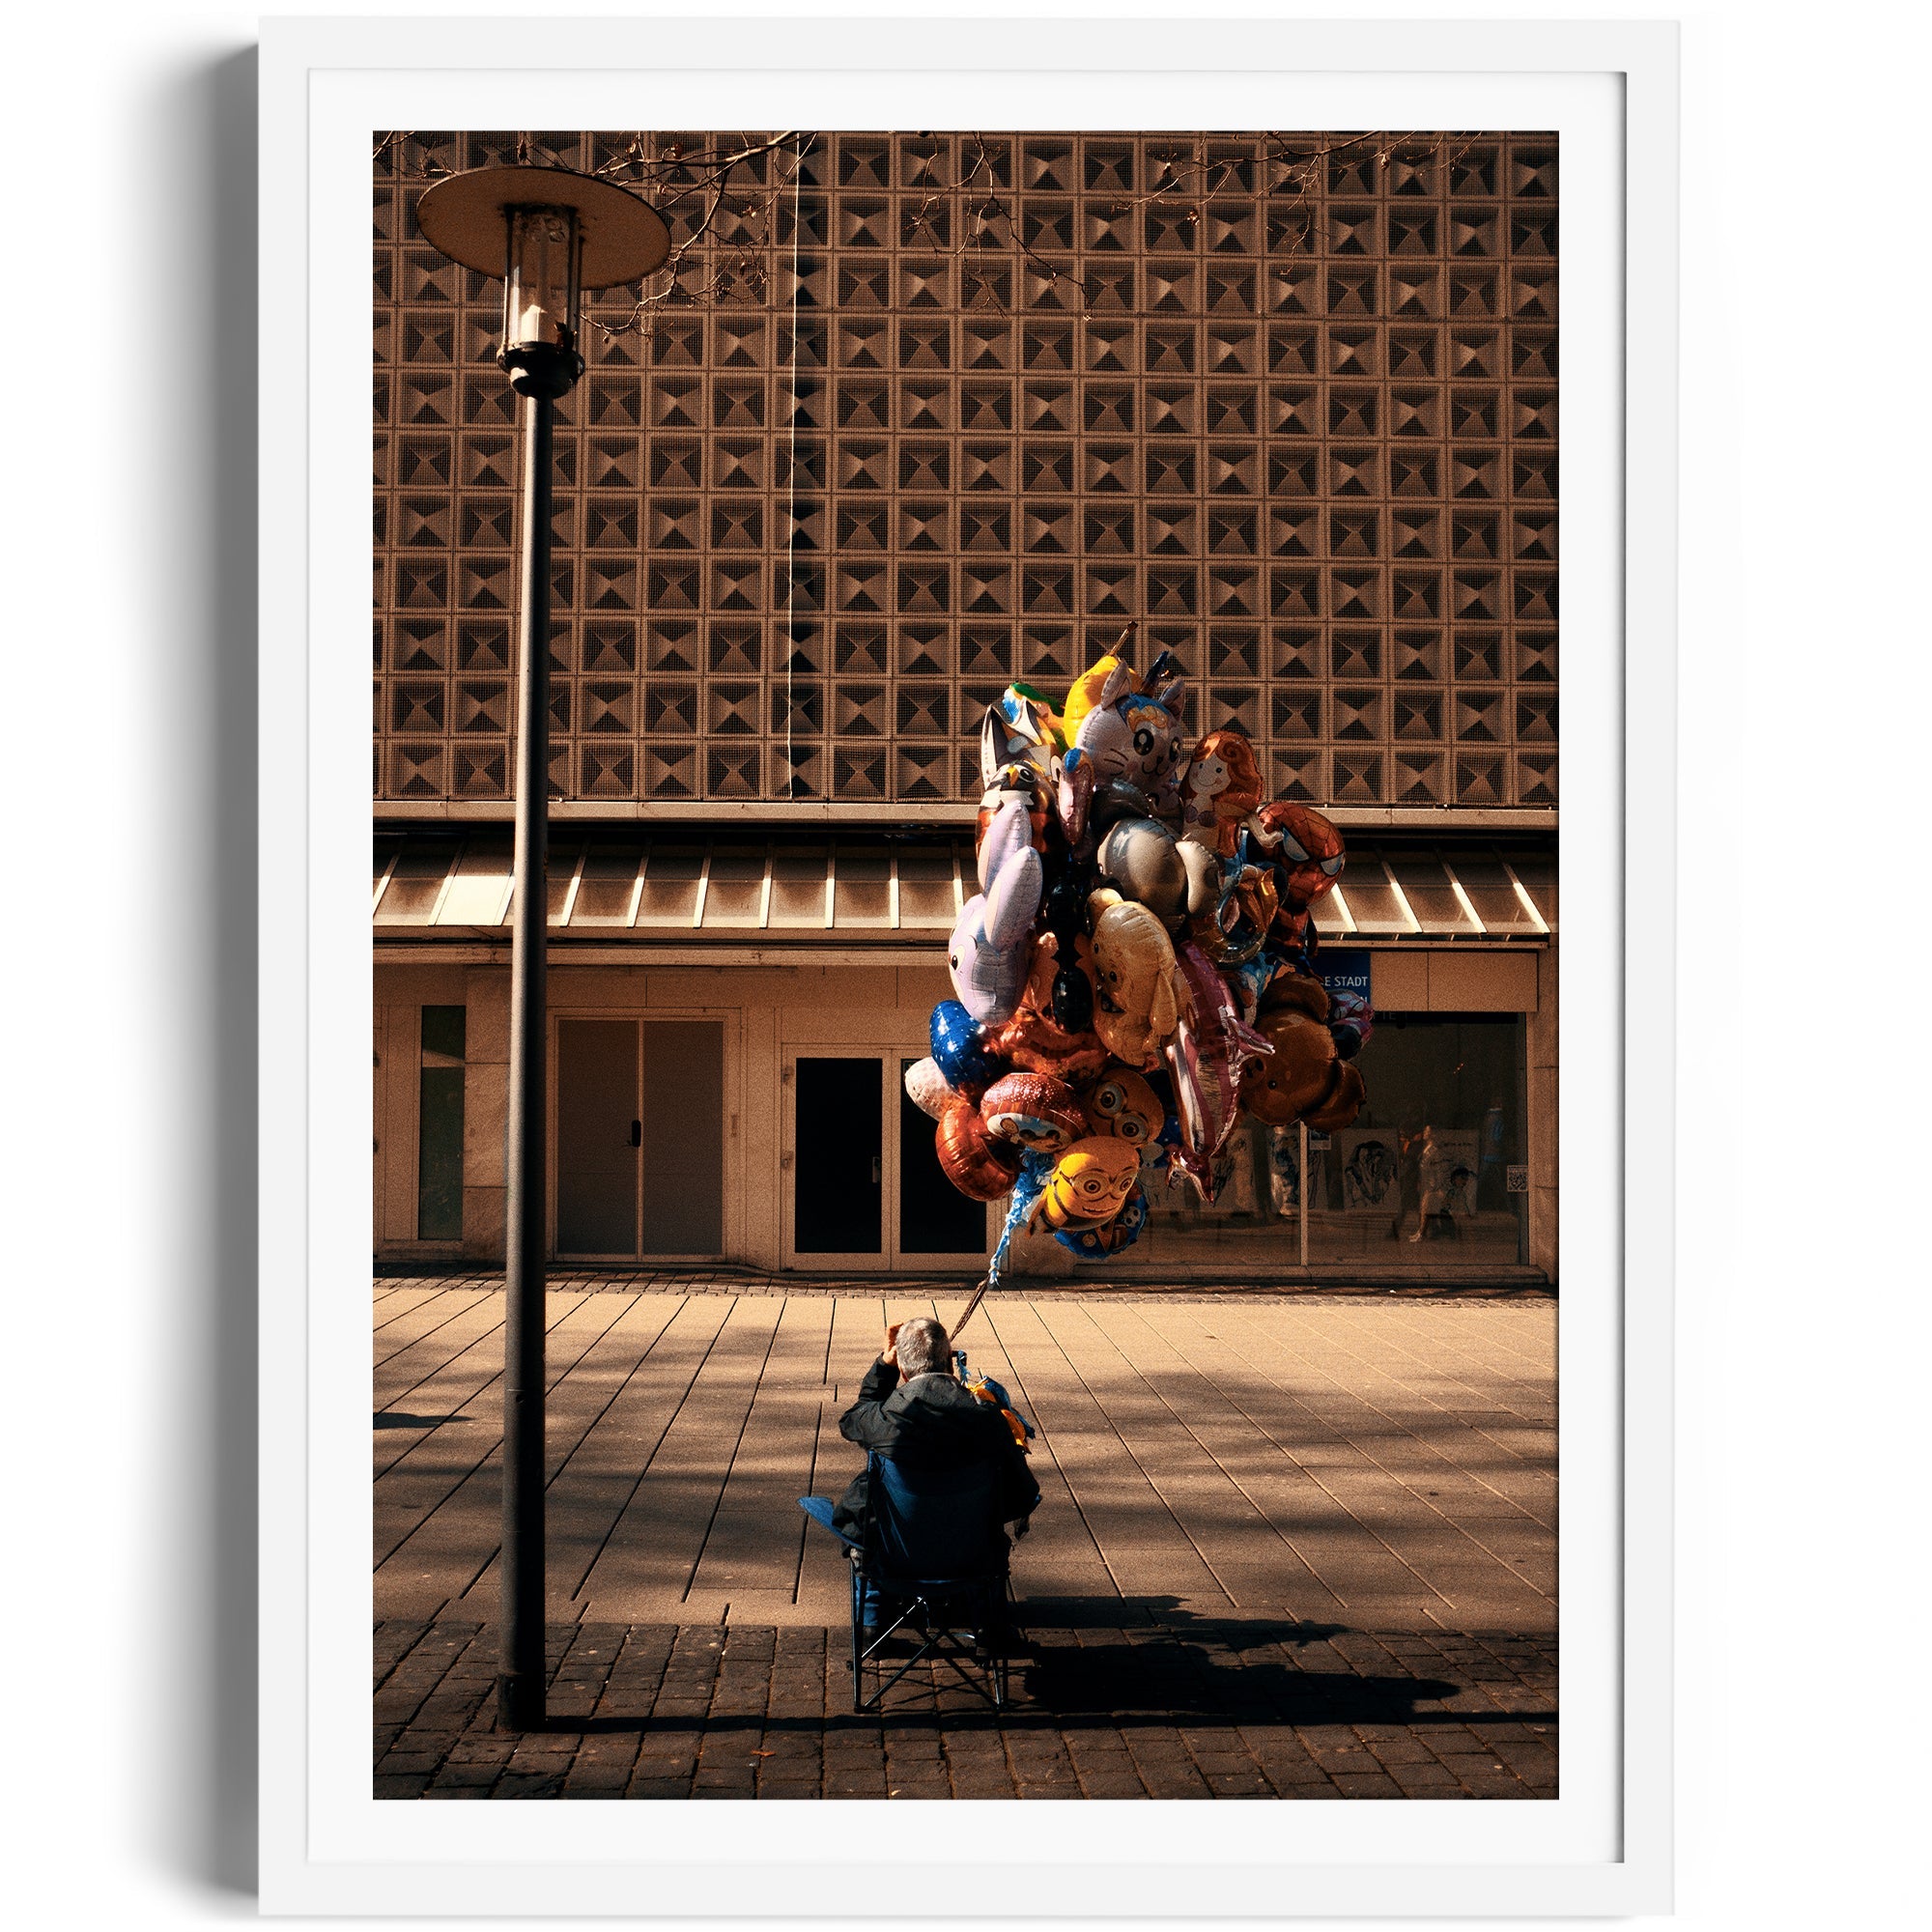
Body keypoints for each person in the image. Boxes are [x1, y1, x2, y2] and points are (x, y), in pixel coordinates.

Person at [833, 1316, 1039, 1641]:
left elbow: (852, 1420)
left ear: (902, 1368)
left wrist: (883, 1367)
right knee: (988, 1524)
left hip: (895, 1557)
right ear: (950, 1362)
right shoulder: (989, 1422)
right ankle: (990, 1625)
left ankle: (872, 1621)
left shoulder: (883, 1419)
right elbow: (1023, 1494)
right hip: (972, 1558)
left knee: (862, 1518)